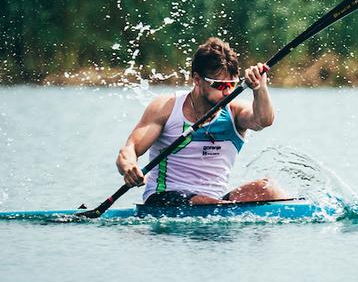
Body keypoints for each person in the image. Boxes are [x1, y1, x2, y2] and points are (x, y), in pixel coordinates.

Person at [116, 37, 288, 206]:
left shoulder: (235, 112)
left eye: (232, 85)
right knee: (207, 203)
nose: (228, 93)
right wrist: (130, 167)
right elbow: (129, 149)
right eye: (220, 86)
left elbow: (264, 120)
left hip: (214, 202)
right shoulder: (166, 107)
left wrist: (259, 87)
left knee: (269, 188)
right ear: (197, 79)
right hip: (163, 197)